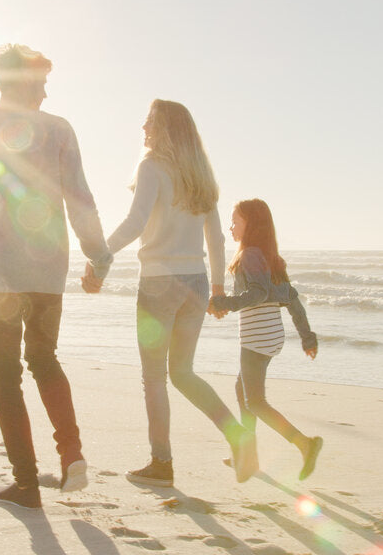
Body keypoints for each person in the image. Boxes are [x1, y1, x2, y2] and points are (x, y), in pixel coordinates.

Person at [0, 44, 113, 509]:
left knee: (5, 376)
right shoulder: (59, 130)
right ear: (22, 82)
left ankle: (26, 484)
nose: (46, 91)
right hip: (46, 269)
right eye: (41, 82)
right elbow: (81, 198)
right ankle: (71, 454)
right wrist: (98, 255)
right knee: (44, 359)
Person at [85, 99, 255, 487]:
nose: (143, 129)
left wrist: (100, 258)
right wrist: (215, 286)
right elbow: (215, 238)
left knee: (155, 378)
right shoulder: (200, 175)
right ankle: (239, 436)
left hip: (160, 283)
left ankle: (161, 462)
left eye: (149, 122)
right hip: (194, 284)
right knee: (182, 372)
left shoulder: (152, 167)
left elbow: (134, 222)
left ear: (164, 129)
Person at [209, 198, 323, 480]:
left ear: (252, 224)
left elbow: (257, 294)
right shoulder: (268, 256)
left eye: (235, 221)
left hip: (256, 339)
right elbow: (292, 299)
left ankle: (304, 444)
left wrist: (225, 303)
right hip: (271, 337)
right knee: (242, 389)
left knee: (256, 401)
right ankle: (249, 453)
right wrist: (307, 338)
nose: (231, 226)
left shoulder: (249, 255)